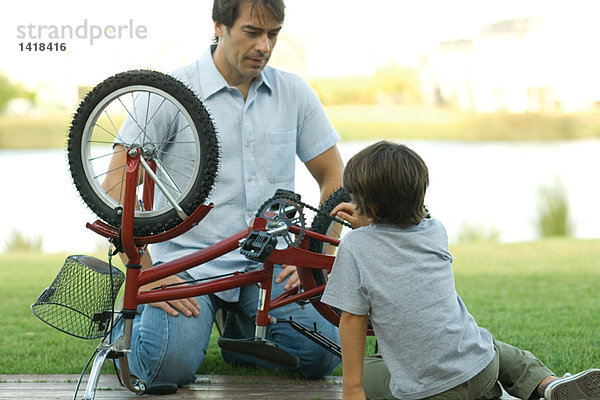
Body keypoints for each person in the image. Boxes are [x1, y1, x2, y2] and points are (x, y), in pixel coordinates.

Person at [106, 0, 344, 386]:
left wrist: (317, 256)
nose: (265, 46)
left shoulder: (294, 92)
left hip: (268, 266)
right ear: (219, 26)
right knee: (163, 368)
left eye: (273, 34)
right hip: (186, 268)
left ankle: (238, 334)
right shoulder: (170, 92)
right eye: (252, 32)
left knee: (323, 353)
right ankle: (123, 328)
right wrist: (147, 272)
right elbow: (115, 184)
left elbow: (335, 178)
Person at [321, 141, 600, 400]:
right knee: (494, 347)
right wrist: (373, 218)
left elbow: (352, 321)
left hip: (431, 392)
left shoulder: (355, 247)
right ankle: (547, 384)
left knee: (371, 367)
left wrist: (352, 388)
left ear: (368, 205)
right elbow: (398, 236)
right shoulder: (435, 230)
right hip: (480, 370)